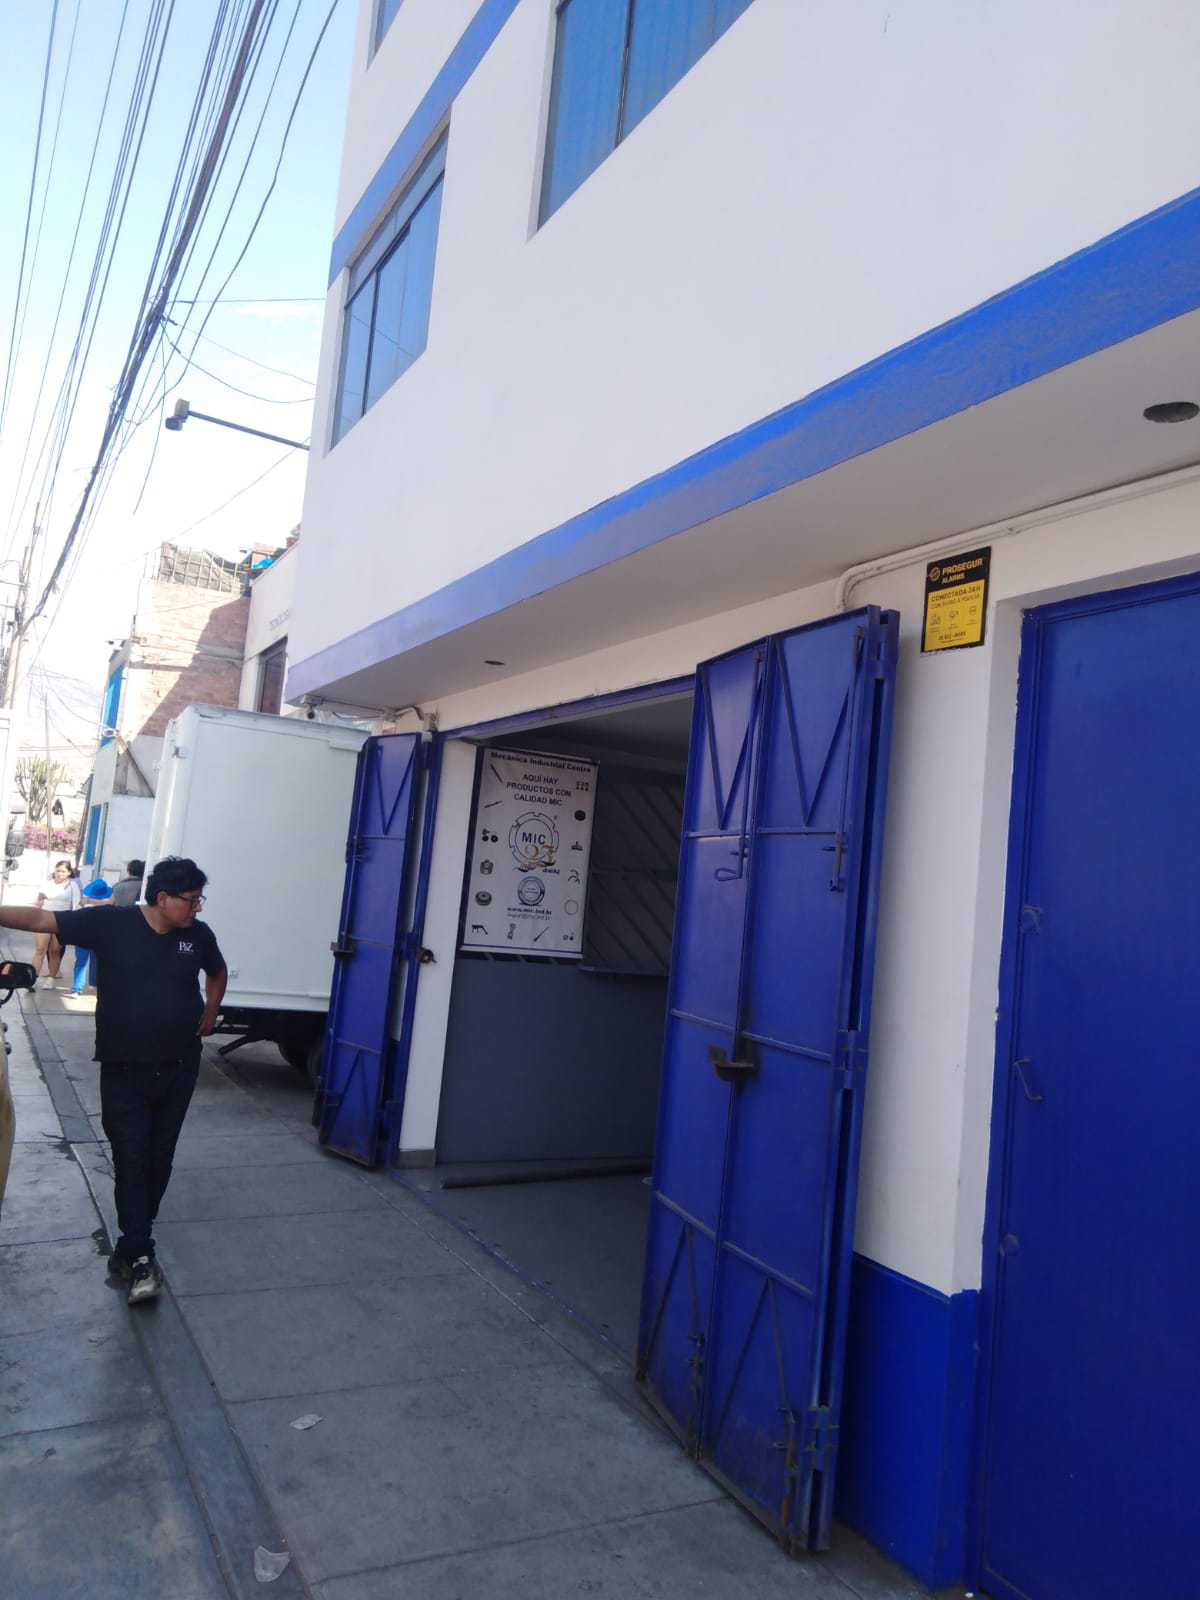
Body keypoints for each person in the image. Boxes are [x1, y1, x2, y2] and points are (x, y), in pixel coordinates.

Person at [0, 856, 227, 1304]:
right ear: (162, 898)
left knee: (159, 1160)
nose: (198, 907)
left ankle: (131, 1244)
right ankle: (141, 1255)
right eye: (191, 900)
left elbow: (217, 971)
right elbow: (42, 919)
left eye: (200, 900)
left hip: (179, 1068)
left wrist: (211, 1009)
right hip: (125, 1071)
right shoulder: (111, 924)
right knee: (131, 1158)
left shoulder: (198, 936)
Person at [33, 859, 81, 989]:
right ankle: (32, 978)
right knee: (40, 949)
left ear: (69, 873)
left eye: (63, 871)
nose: (59, 874)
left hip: (61, 920)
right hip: (44, 918)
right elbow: (39, 901)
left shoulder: (73, 886)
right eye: (57, 870)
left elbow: (76, 905)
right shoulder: (46, 884)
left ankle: (51, 979)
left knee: (55, 951)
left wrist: (73, 923)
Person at [71, 878, 113, 995]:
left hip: (82, 936)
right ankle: (93, 984)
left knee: (81, 962)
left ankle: (77, 988)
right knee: (96, 961)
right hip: (100, 937)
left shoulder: (82, 904)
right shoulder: (108, 907)